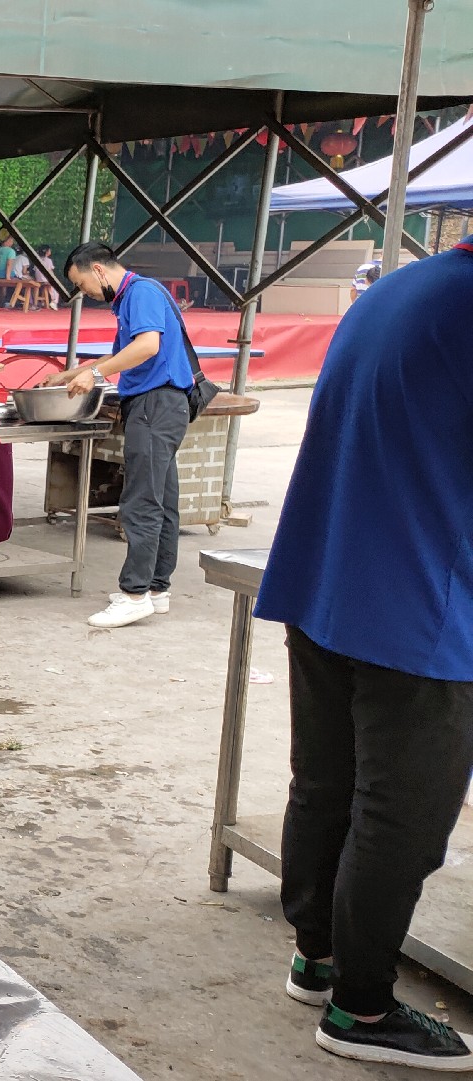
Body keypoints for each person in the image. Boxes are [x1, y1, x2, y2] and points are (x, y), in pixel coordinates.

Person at [253, 242, 473, 1072]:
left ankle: (319, 957)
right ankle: (364, 1008)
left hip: (325, 580)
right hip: (421, 606)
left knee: (327, 786)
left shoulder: (400, 289)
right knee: (403, 818)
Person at [47, 243, 194, 629]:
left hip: (154, 406)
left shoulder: (140, 292)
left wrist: (94, 376)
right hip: (165, 406)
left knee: (141, 501)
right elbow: (126, 353)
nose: (86, 294)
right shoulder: (135, 294)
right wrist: (73, 371)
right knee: (163, 499)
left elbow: (147, 346)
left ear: (97, 270)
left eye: (82, 284)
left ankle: (134, 594)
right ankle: (157, 589)